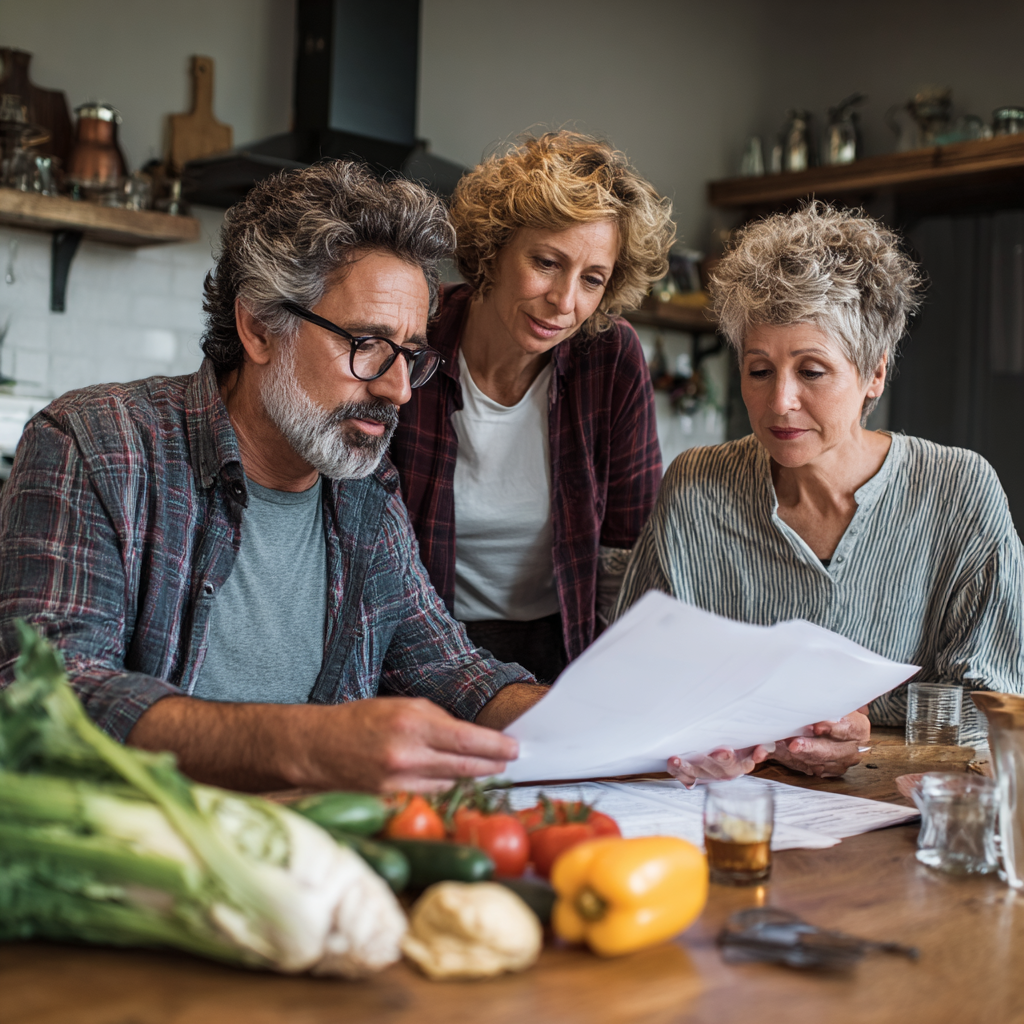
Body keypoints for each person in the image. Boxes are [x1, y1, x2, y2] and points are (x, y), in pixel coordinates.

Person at [0, 161, 550, 794]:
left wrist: (618, 723)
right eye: (367, 343)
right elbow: (49, 693)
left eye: (409, 354)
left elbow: (454, 673)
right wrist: (307, 743)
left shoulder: (367, 494)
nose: (398, 389)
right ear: (260, 326)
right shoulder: (95, 444)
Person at [615, 202, 1024, 782]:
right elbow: (632, 678)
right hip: (726, 804)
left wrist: (866, 737)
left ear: (874, 375)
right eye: (759, 371)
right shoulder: (695, 488)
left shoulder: (959, 490)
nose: (780, 401)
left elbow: (997, 707)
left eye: (811, 371)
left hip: (893, 811)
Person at [390, 131, 674, 683]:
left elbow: (627, 550)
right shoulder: (414, 340)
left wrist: (634, 685)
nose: (565, 303)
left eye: (592, 279)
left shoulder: (609, 359)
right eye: (546, 262)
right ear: (495, 250)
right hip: (416, 646)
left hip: (563, 649)